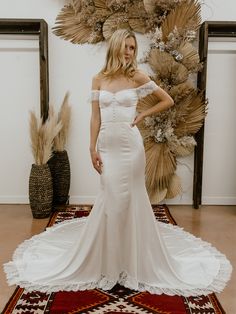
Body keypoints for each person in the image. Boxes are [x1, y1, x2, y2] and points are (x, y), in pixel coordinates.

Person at [4, 29, 232, 295]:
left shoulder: (137, 76)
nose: (128, 52)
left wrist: (143, 114)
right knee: (111, 201)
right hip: (108, 147)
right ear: (114, 47)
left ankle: (131, 263)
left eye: (133, 48)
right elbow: (94, 118)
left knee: (130, 200)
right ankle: (109, 263)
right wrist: (91, 148)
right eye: (125, 46)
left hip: (130, 147)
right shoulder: (98, 78)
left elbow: (167, 100)